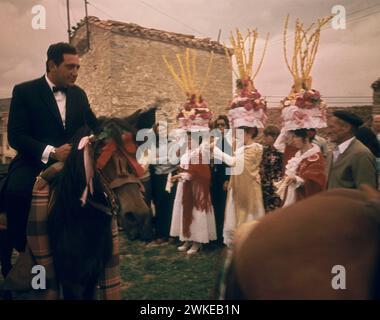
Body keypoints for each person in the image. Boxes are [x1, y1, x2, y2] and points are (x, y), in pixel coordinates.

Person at [3, 42, 98, 253]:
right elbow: (16, 136)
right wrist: (52, 152)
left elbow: (93, 124)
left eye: (77, 67)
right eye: (69, 67)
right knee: (17, 192)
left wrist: (105, 132)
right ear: (52, 65)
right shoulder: (24, 91)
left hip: (73, 163)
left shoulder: (79, 94)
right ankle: (21, 246)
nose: (75, 73)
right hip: (32, 163)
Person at [275, 129, 326, 207]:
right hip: (291, 197)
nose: (292, 140)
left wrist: (297, 179)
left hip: (304, 200)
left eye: (295, 137)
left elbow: (316, 180)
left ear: (306, 138)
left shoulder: (316, 157)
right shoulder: (295, 154)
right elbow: (277, 145)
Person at [326, 111, 376, 190]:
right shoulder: (333, 152)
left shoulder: (361, 154)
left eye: (331, 127)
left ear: (346, 128)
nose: (327, 131)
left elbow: (367, 193)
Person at [149, 122, 178, 245]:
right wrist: (165, 158)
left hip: (170, 177)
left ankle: (171, 234)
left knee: (170, 205)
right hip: (158, 179)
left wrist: (160, 160)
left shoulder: (173, 143)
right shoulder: (152, 145)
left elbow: (174, 161)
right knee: (159, 206)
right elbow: (151, 160)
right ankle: (161, 234)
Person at [210, 115, 231, 244]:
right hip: (214, 177)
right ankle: (216, 234)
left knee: (224, 206)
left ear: (227, 126)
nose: (220, 127)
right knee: (215, 205)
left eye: (223, 125)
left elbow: (230, 162)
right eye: (218, 125)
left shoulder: (228, 142)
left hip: (223, 179)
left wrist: (227, 179)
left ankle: (223, 236)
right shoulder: (214, 141)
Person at [260, 125, 283, 212]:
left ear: (274, 137)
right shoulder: (265, 151)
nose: (264, 138)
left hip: (276, 187)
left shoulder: (281, 152)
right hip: (264, 186)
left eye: (266, 136)